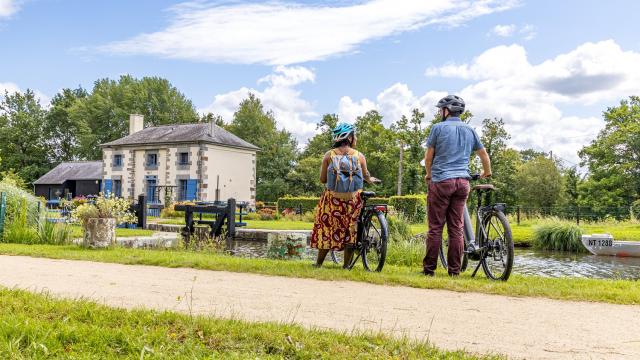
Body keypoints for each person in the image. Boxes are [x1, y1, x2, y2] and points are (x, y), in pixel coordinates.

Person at [423, 95, 491, 276]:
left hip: (441, 181)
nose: (439, 112)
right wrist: (486, 172)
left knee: (436, 227)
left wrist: (429, 174)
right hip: (462, 183)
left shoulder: (437, 128)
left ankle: (429, 270)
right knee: (456, 228)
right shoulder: (470, 129)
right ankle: (454, 271)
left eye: (440, 109)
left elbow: (428, 157)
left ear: (446, 111)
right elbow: (483, 153)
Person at [311, 122, 380, 268]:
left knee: (327, 228)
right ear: (350, 138)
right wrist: (370, 179)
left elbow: (322, 179)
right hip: (353, 201)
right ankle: (346, 266)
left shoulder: (328, 155)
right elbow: (366, 175)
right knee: (351, 229)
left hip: (333, 201)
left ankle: (318, 264)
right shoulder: (359, 156)